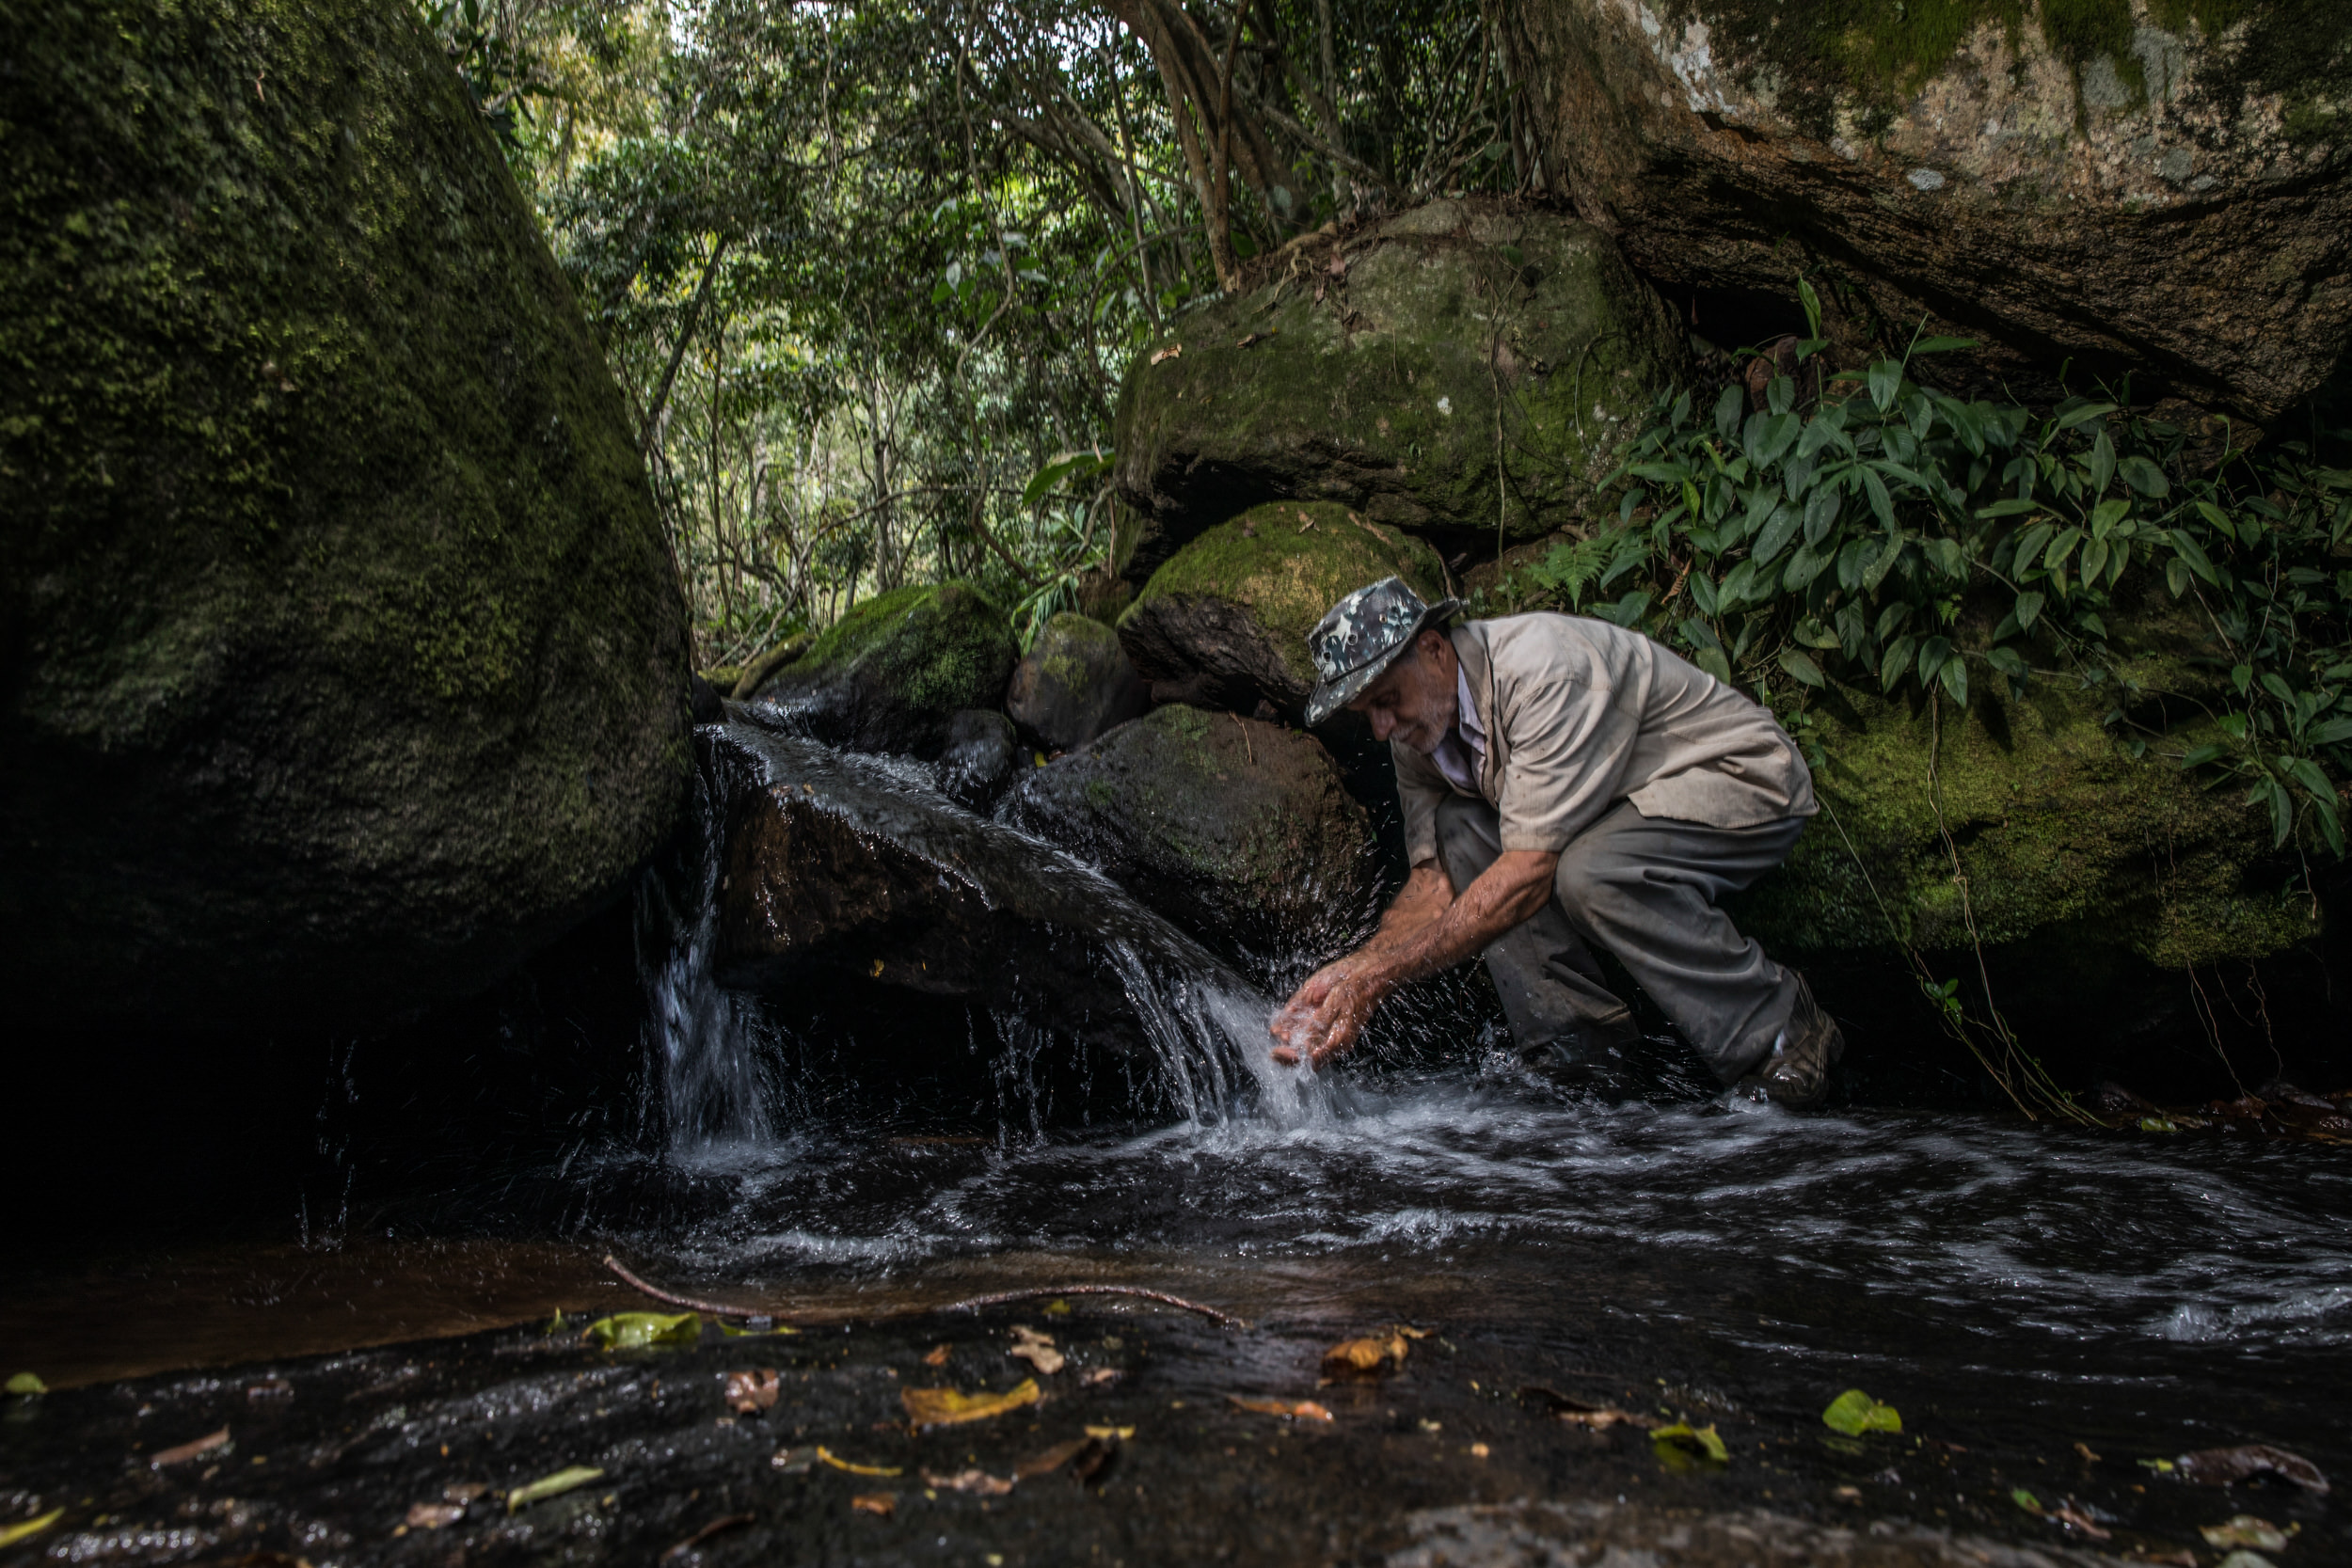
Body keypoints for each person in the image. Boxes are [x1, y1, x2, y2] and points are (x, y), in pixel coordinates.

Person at [1267, 576, 1844, 1106]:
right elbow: (1432, 880)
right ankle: (1586, 1060)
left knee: (1590, 874)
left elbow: (1529, 873)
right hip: (1611, 813)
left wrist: (1381, 978)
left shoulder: (1543, 669)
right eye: (1366, 712)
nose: (1381, 727)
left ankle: (1782, 1034)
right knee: (1459, 831)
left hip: (1738, 780)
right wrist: (1353, 971)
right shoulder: (1416, 736)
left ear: (1434, 650)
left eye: (1387, 699)